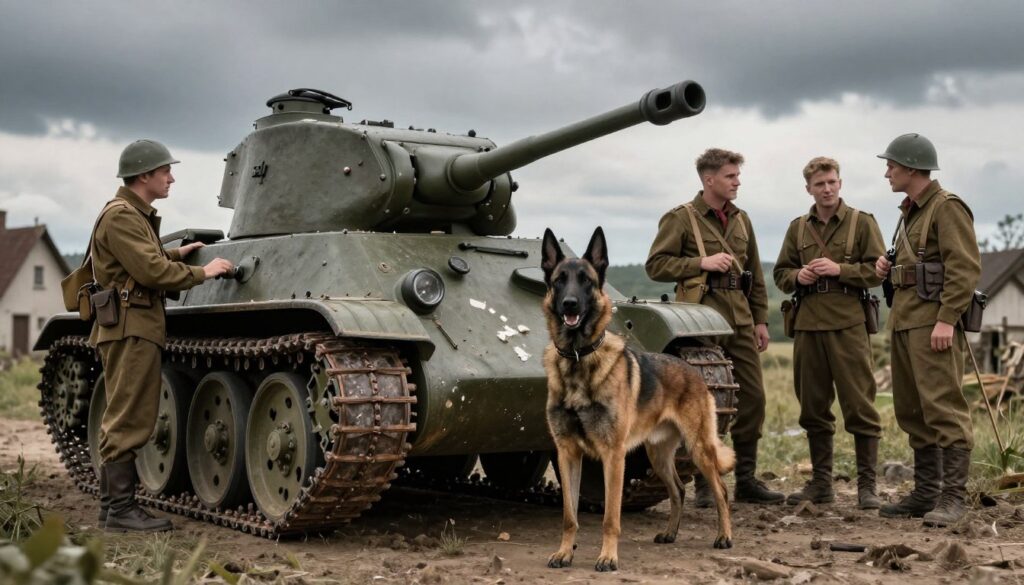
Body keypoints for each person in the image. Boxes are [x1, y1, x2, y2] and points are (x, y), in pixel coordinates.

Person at [88, 139, 234, 531]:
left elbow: (142, 260)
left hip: (132, 326)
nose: (171, 178)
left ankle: (111, 508)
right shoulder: (122, 216)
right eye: (165, 171)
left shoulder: (131, 215)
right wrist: (204, 272)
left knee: (125, 413)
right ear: (143, 175)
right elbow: (150, 272)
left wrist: (178, 254)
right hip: (131, 328)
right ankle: (121, 511)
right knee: (131, 416)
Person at [646, 148, 783, 506]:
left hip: (739, 319)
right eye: (730, 176)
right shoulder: (681, 218)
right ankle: (705, 481)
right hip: (700, 321)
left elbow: (754, 274)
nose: (737, 182)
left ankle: (747, 480)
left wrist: (761, 320)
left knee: (753, 399)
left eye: (738, 175)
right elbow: (656, 265)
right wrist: (700, 263)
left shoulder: (742, 220)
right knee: (706, 404)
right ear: (709, 180)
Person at [874, 133, 981, 526]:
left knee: (943, 406)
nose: (887, 172)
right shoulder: (910, 212)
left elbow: (964, 268)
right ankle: (925, 493)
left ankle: (953, 498)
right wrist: (888, 267)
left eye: (892, 166)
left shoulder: (946, 207)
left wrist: (947, 320)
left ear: (911, 167)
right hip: (905, 320)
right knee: (911, 409)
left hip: (933, 323)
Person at [773, 157, 885, 509]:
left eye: (832, 182)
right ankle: (822, 484)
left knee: (860, 405)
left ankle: (867, 487)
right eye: (820, 184)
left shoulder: (861, 222)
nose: (827, 189)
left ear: (840, 183)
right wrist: (798, 276)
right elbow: (780, 274)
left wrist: (840, 270)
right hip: (807, 325)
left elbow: (879, 271)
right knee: (813, 407)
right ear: (809, 188)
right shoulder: (798, 228)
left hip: (848, 324)